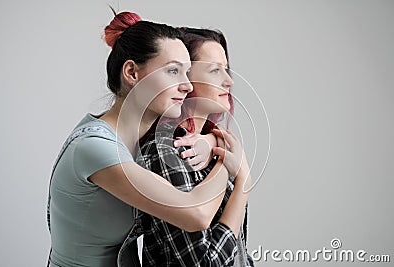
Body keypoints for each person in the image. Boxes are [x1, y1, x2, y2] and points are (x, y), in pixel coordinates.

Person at [46, 11, 233, 267]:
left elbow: (194, 129)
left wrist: (212, 141)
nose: (187, 85)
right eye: (173, 71)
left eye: (187, 72)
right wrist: (229, 163)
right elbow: (195, 214)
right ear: (132, 72)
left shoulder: (139, 140)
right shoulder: (94, 148)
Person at [134, 28, 254, 266]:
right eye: (214, 70)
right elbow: (204, 263)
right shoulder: (167, 151)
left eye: (226, 69)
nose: (229, 81)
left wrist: (214, 142)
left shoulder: (214, 144)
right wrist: (244, 183)